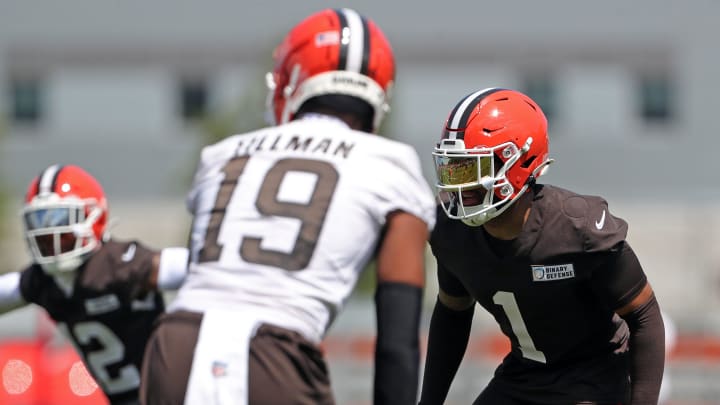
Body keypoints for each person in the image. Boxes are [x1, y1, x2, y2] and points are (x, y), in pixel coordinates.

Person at [140, 7, 436, 405]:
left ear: (292, 79)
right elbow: (398, 336)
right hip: (274, 356)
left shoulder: (223, 154)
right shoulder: (391, 165)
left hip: (176, 345)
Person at [419, 88, 665, 405]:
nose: (460, 186)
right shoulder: (452, 231)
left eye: (472, 169)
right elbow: (452, 314)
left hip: (596, 376)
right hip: (524, 375)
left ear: (519, 162)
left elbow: (644, 315)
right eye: (454, 168)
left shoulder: (578, 229)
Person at [0, 164, 189, 405]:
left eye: (61, 219)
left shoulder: (118, 266)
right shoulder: (43, 281)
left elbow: (196, 266)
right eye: (39, 221)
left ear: (94, 216)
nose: (51, 233)